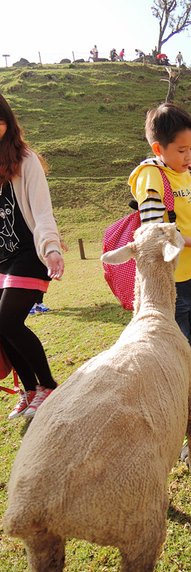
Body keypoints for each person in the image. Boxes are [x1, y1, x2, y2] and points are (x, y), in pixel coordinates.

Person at [128, 103, 191, 363]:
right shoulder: (151, 176)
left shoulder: (180, 171)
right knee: (177, 349)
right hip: (172, 281)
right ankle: (177, 397)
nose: (188, 156)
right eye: (182, 150)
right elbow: (153, 235)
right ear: (158, 149)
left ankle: (186, 392)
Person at [0, 94, 64, 420]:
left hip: (29, 255)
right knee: (1, 325)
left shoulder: (27, 161)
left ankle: (49, 386)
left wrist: (51, 248)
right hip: (1, 260)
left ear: (5, 122)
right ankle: (29, 390)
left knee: (8, 318)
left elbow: (42, 212)